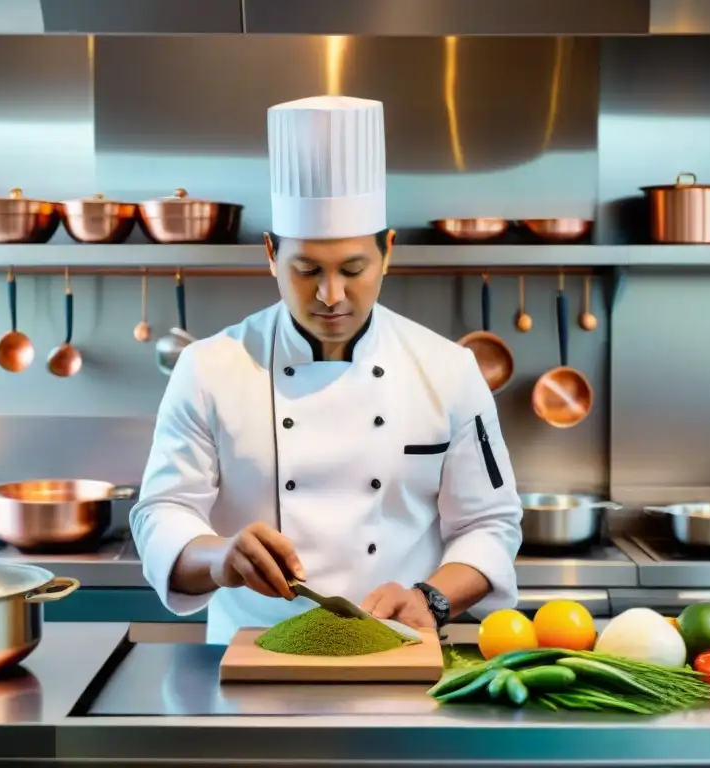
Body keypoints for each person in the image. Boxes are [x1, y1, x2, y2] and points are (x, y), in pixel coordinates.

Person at [130, 95, 523, 646]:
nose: (331, 295)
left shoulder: (449, 371)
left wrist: (431, 597)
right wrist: (221, 557)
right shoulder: (207, 369)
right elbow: (160, 516)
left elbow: (491, 523)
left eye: (354, 269)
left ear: (388, 252)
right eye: (307, 269)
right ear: (269, 253)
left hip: (400, 653)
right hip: (251, 658)